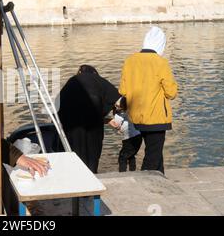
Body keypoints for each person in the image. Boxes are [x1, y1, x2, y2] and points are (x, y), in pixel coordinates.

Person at [119, 26, 178, 174]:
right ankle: (145, 185)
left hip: (137, 117)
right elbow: (171, 93)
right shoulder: (160, 62)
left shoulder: (130, 61)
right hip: (156, 117)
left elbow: (123, 91)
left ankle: (162, 183)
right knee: (153, 155)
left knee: (156, 153)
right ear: (161, 44)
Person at [57, 65, 120, 173]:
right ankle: (92, 176)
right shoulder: (98, 80)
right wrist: (113, 117)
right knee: (92, 154)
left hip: (71, 126)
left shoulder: (72, 82)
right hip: (93, 127)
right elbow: (119, 100)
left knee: (74, 154)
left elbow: (59, 108)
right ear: (95, 73)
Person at [108, 97, 142, 172]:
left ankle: (122, 173)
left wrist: (107, 121)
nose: (116, 107)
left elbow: (116, 125)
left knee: (122, 157)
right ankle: (132, 171)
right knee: (131, 155)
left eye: (117, 106)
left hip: (129, 138)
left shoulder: (119, 114)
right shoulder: (129, 111)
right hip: (138, 136)